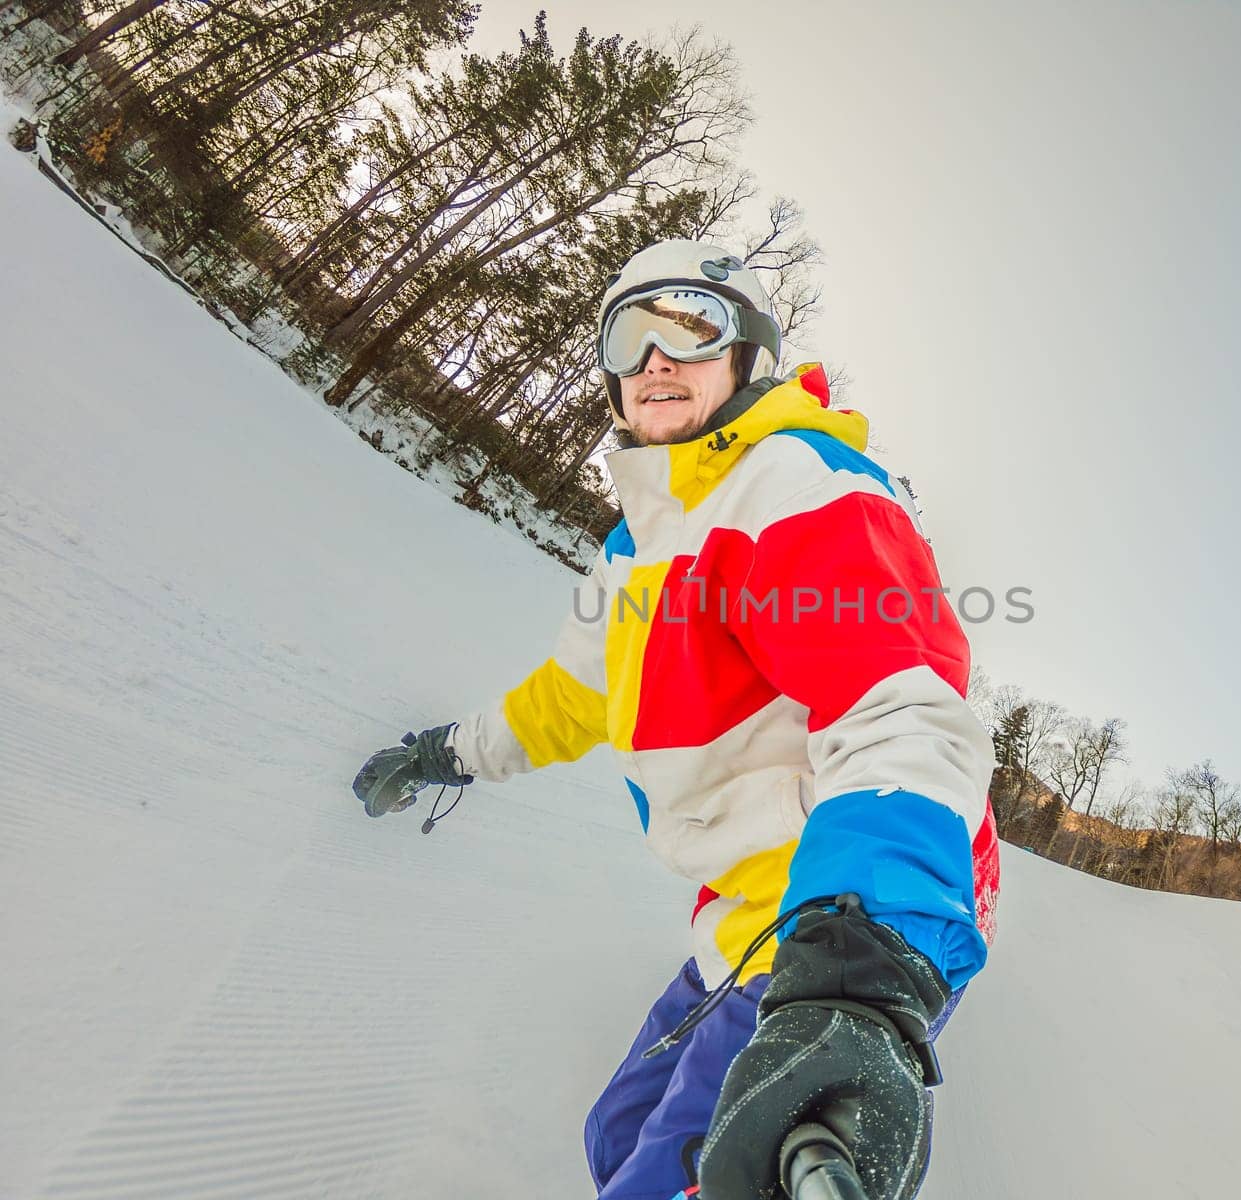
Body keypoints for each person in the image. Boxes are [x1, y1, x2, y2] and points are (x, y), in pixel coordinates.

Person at [352, 239, 999, 1200]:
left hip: (840, 916)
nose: (656, 356)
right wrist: (447, 752)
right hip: (737, 917)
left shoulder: (796, 484)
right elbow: (568, 700)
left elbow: (896, 709)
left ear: (750, 358)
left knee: (685, 1179)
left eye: (691, 326)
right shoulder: (637, 546)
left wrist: (856, 976)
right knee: (619, 1135)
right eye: (630, 333)